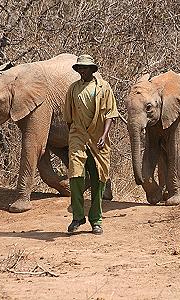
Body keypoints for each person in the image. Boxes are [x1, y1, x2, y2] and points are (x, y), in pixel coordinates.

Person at [64, 54, 119, 235]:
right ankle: (77, 217)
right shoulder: (73, 89)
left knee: (98, 179)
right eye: (79, 67)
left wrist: (104, 135)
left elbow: (111, 114)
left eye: (85, 67)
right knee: (75, 176)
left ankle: (96, 220)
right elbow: (68, 118)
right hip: (78, 136)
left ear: (92, 69)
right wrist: (73, 137)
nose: (82, 70)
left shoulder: (104, 88)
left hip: (98, 138)